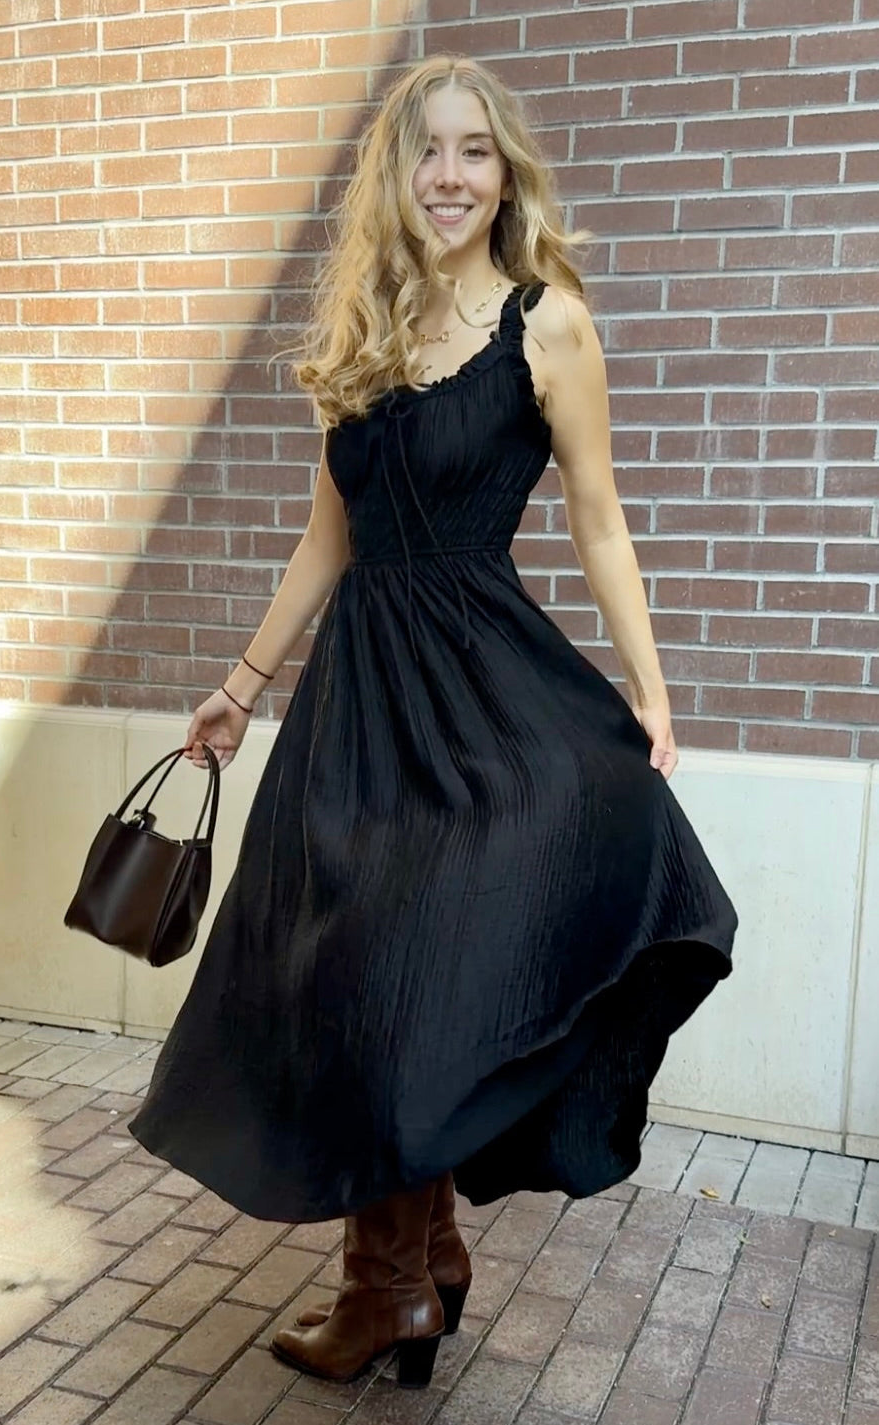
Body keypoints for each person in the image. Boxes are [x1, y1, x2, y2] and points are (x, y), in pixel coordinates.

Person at [130, 55, 738, 1390]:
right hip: (358, 700)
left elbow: (595, 517)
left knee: (423, 977)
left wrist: (647, 688)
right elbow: (323, 541)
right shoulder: (360, 331)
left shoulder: (546, 322)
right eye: (425, 153)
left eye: (473, 150)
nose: (450, 175)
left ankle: (389, 1283)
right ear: (393, 179)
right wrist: (239, 683)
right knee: (355, 985)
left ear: (505, 170)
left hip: (482, 686)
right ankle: (416, 1262)